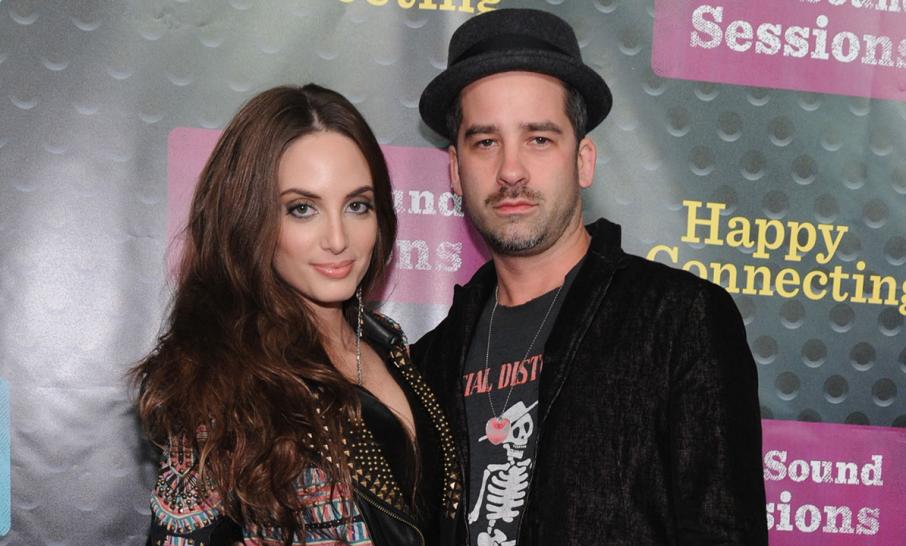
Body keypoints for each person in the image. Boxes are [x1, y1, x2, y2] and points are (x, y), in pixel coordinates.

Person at [411, 9, 767, 545]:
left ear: (583, 161)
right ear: (454, 171)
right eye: (485, 142)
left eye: (539, 139)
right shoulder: (427, 363)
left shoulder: (679, 321)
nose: (511, 170)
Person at [132, 84, 461, 545]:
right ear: (249, 218)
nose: (338, 239)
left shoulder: (390, 346)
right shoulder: (223, 384)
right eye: (302, 209)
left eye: (357, 205)